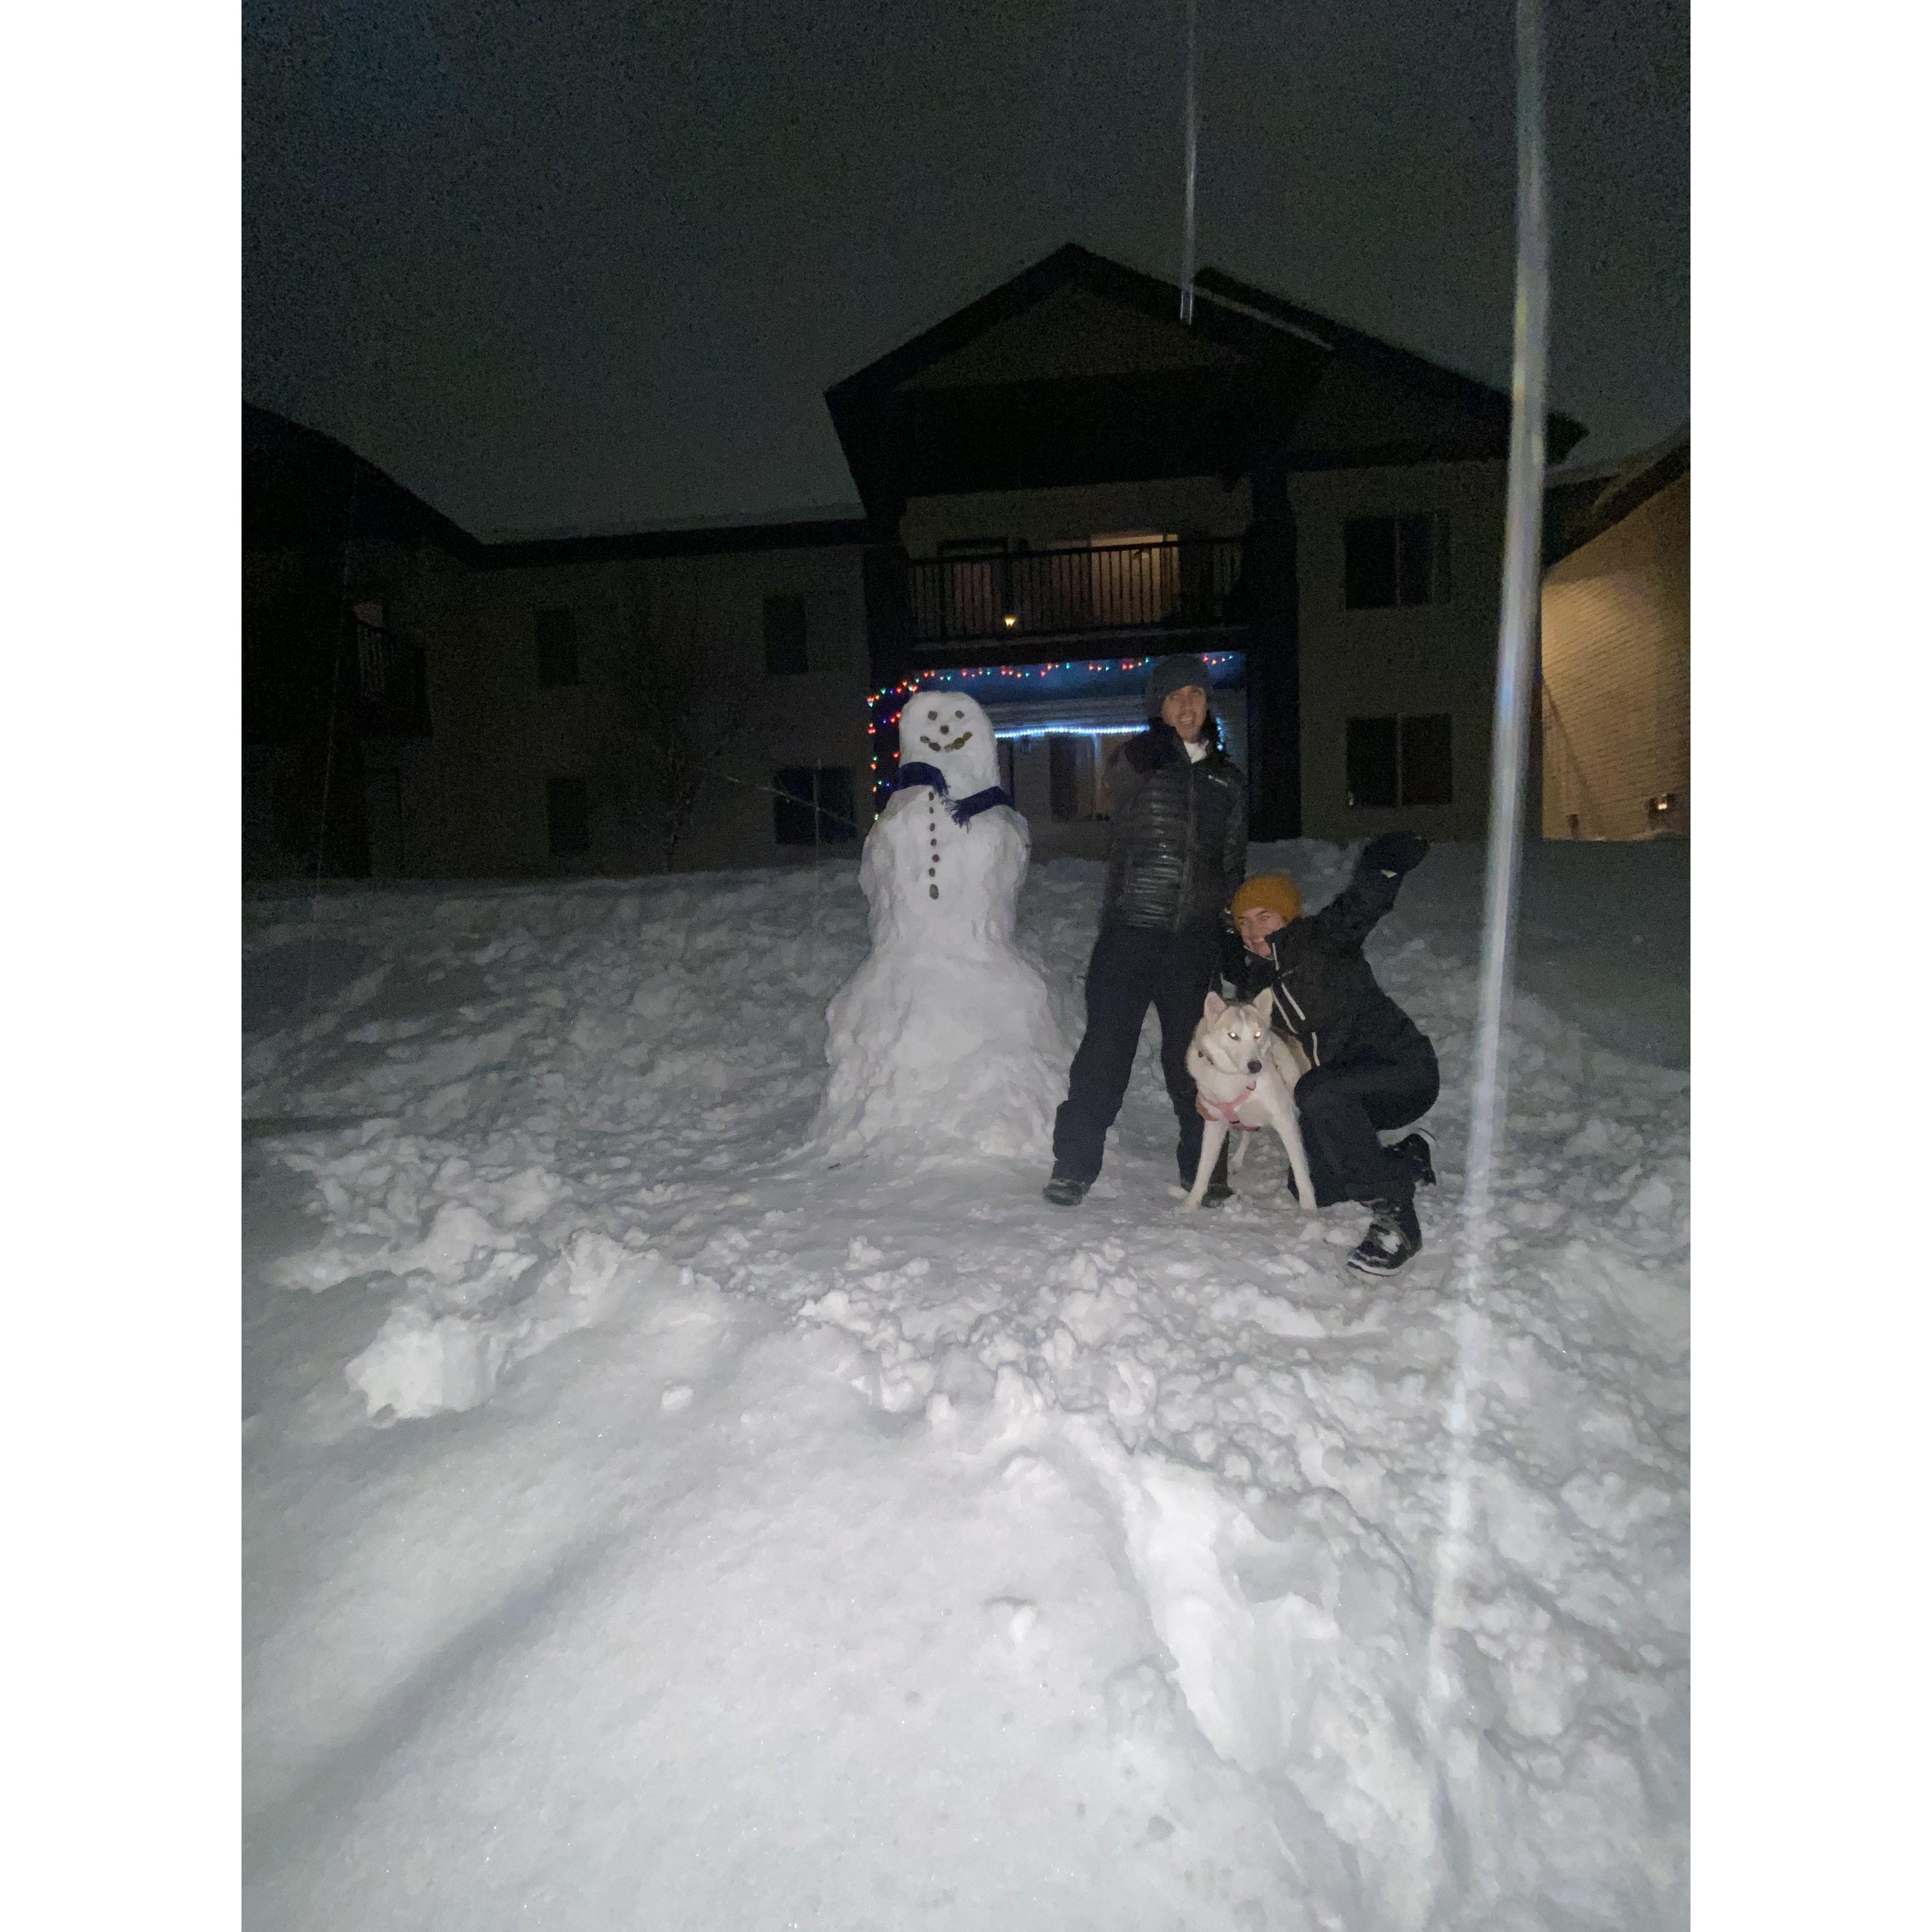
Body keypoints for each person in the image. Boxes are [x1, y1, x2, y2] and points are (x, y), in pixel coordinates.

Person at [1044, 654, 1246, 1207]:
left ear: (1208, 703)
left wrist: (1231, 934)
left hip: (1194, 942)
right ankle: (1073, 1167)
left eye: (1196, 695)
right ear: (1159, 706)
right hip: (1131, 932)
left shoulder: (1228, 780)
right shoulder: (1139, 759)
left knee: (1198, 1062)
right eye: (1175, 697)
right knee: (1105, 1055)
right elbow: (1118, 781)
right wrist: (1160, 746)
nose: (1188, 705)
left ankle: (1205, 1170)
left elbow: (1232, 864)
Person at [1222, 841, 1440, 1274]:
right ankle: (1409, 1156)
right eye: (1244, 921)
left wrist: (1383, 868)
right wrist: (1235, 1100)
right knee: (1316, 1186)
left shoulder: (1321, 941)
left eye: (1264, 917)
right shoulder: (1257, 987)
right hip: (1344, 1096)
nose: (1252, 929)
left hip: (1402, 1071)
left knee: (1317, 1090)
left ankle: (1396, 1219)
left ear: (1288, 917)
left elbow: (1360, 907)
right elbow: (1252, 1050)